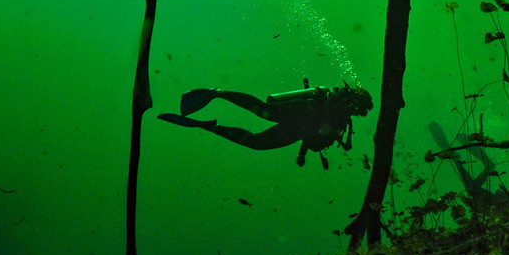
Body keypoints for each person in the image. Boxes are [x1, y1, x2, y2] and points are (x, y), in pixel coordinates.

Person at [157, 79, 373, 168]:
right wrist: (305, 151)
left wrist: (303, 152)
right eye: (360, 110)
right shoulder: (343, 113)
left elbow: (314, 134)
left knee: (257, 139)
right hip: (302, 113)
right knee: (264, 113)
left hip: (299, 125)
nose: (358, 112)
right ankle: (217, 96)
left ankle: (212, 118)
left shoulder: (343, 116)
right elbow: (318, 130)